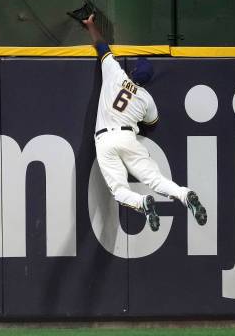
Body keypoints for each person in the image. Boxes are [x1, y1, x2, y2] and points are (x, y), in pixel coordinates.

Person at [83, 14, 207, 231]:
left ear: (132, 72)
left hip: (105, 139)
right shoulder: (146, 98)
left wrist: (91, 25)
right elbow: (153, 123)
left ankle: (141, 202)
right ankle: (184, 194)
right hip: (128, 137)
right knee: (156, 180)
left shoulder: (115, 74)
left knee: (119, 191)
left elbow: (102, 47)